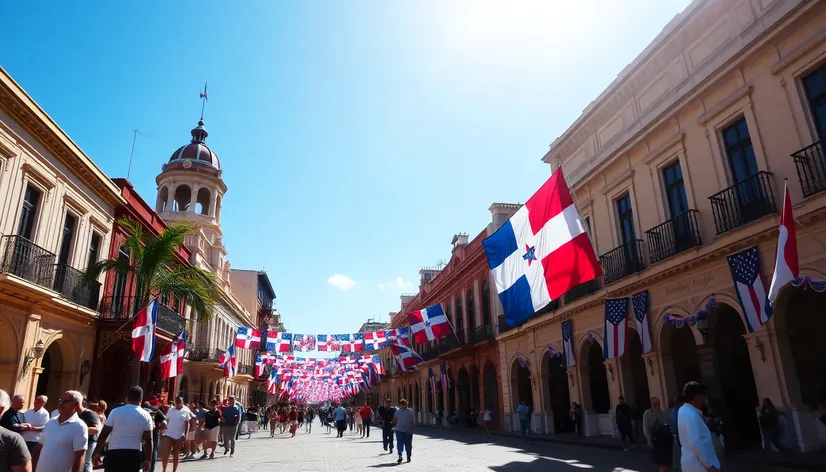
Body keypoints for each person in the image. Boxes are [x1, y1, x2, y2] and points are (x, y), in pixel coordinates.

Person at [92, 386, 153, 472]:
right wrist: (148, 460)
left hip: (114, 452)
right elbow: (148, 439)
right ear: (141, 399)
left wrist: (96, 452)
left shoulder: (115, 412)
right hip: (133, 454)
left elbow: (104, 433)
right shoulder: (146, 416)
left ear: (127, 398)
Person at [32, 390, 88, 472]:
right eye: (60, 400)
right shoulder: (51, 422)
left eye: (66, 401)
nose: (61, 403)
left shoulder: (79, 426)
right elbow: (38, 449)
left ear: (76, 405)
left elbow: (80, 457)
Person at [677, 382, 720, 472]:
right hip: (700, 467)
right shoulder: (692, 415)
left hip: (690, 463)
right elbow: (696, 443)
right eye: (703, 395)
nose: (705, 398)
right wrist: (710, 466)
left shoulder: (683, 410)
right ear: (697, 397)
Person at [0, 389, 32, 472]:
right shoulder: (13, 439)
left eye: (23, 402)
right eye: (20, 402)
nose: (22, 404)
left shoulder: (21, 414)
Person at [159, 397, 191, 472]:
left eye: (179, 403)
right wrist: (163, 429)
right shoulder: (171, 410)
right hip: (169, 434)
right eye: (177, 403)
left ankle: (174, 470)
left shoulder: (185, 411)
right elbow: (167, 420)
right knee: (166, 453)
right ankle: (164, 470)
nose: (178, 404)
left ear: (182, 403)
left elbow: (187, 423)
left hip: (179, 436)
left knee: (176, 454)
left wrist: (186, 435)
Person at [643, 396, 673, 472]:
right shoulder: (647, 414)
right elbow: (645, 428)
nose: (657, 405)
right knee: (663, 463)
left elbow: (668, 423)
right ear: (651, 405)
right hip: (656, 441)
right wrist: (649, 440)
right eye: (655, 404)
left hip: (666, 440)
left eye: (658, 403)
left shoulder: (663, 412)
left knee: (668, 462)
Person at [77, 397, 102, 472]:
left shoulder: (89, 414)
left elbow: (96, 429)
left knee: (86, 463)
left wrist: (80, 430)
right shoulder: (74, 414)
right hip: (80, 440)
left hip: (90, 441)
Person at [142, 398, 166, 472]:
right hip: (154, 433)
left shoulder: (141, 409)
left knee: (142, 451)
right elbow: (164, 422)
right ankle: (150, 469)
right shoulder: (156, 410)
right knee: (153, 450)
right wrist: (161, 430)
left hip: (141, 433)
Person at [391, 399, 415, 464]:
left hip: (408, 431)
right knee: (400, 443)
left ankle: (408, 456)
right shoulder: (397, 412)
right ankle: (400, 456)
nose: (405, 405)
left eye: (406, 404)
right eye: (404, 404)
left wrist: (411, 429)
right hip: (399, 430)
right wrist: (393, 426)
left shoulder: (410, 411)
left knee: (408, 445)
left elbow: (413, 421)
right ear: (401, 405)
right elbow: (394, 420)